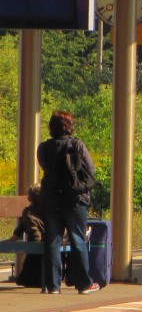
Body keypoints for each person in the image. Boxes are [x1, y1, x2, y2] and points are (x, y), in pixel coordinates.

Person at [37, 110, 99, 295]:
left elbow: (44, 166)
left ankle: (52, 285)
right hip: (74, 199)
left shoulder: (43, 148)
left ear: (51, 127)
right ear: (69, 126)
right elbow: (91, 170)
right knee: (78, 240)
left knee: (53, 241)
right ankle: (84, 284)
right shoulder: (77, 145)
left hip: (51, 199)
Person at [7, 185, 47, 288]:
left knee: (34, 253)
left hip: (38, 242)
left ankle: (31, 279)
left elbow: (35, 237)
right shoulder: (48, 209)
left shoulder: (28, 212)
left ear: (30, 199)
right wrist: (16, 234)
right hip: (50, 240)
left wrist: (16, 235)